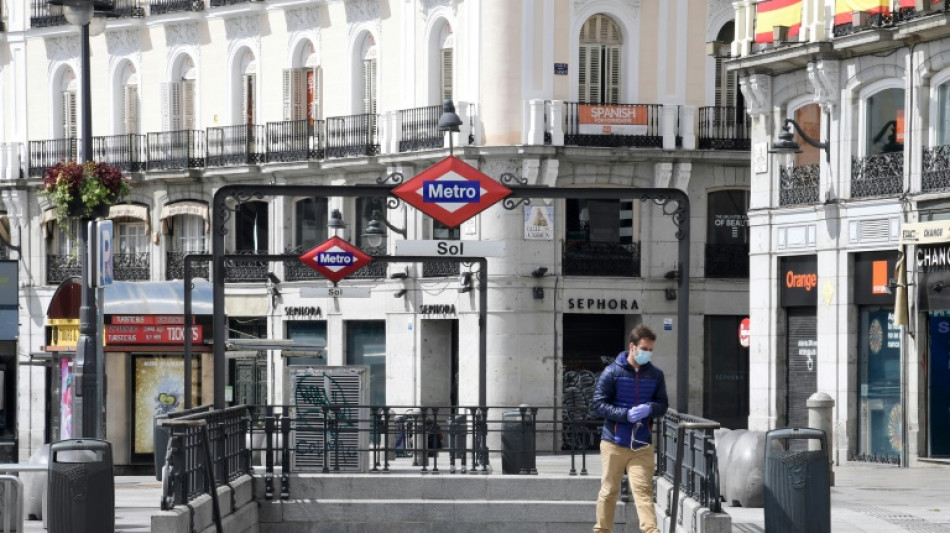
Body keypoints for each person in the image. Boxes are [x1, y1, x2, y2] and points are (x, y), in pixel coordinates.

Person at [592, 324, 669, 533]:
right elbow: (598, 404)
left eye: (651, 350)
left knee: (643, 493)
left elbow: (662, 405)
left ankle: (651, 531)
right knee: (608, 491)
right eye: (644, 349)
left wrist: (649, 408)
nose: (648, 354)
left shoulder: (655, 375)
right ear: (632, 346)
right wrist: (625, 415)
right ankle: (602, 530)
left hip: (642, 444)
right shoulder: (612, 372)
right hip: (614, 443)